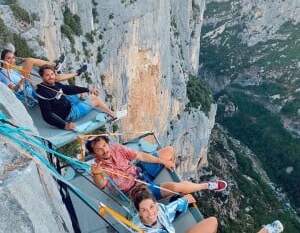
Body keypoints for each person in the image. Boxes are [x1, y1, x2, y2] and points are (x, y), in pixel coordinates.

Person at [87, 135, 227, 199]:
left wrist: (162, 161)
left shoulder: (116, 148)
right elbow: (101, 185)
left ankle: (171, 177)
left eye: (105, 145)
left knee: (169, 151)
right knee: (176, 187)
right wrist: (97, 174)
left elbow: (140, 156)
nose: (105, 150)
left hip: (140, 171)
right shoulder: (98, 168)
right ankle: (207, 186)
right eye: (99, 149)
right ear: (94, 153)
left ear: (107, 143)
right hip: (136, 189)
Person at [36, 64, 117, 130]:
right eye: (47, 75)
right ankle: (112, 114)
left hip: (67, 102)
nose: (51, 77)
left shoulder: (54, 83)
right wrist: (64, 125)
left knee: (80, 92)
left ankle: (81, 103)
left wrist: (88, 89)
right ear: (42, 77)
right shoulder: (43, 92)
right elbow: (46, 115)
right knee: (95, 100)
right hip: (68, 113)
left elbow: (68, 89)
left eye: (52, 74)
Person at [0, 49, 87, 107]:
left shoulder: (10, 68)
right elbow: (14, 91)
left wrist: (26, 79)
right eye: (9, 58)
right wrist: (23, 80)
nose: (12, 60)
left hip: (28, 86)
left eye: (13, 58)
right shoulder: (3, 73)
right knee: (53, 79)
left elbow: (20, 63)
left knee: (52, 78)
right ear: (3, 60)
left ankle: (71, 71)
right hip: (27, 94)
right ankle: (72, 72)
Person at [129, 184, 218, 233]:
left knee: (213, 221)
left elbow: (170, 208)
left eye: (151, 206)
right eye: (144, 210)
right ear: (139, 212)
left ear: (156, 204)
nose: (150, 213)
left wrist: (185, 200)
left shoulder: (161, 210)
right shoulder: (137, 229)